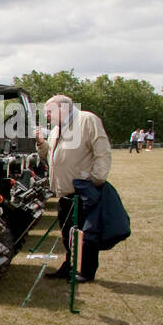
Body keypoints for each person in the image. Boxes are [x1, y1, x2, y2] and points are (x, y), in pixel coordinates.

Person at [36, 94, 112, 282]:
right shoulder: (56, 129)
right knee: (68, 232)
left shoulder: (87, 120)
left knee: (84, 234)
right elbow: (50, 156)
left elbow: (102, 151)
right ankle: (71, 265)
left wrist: (95, 180)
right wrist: (40, 142)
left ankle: (85, 271)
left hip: (82, 191)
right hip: (66, 192)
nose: (46, 115)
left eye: (49, 111)